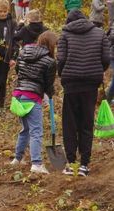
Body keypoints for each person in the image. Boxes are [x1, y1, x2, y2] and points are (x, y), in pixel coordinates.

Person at [57, 10, 109, 177]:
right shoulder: (99, 33)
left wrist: (62, 75)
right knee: (86, 123)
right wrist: (97, 71)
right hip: (91, 83)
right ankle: (84, 165)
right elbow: (106, 59)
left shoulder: (65, 33)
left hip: (71, 83)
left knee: (70, 123)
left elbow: (61, 59)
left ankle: (71, 163)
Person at [10, 31, 57, 174]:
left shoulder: (23, 52)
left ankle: (17, 159)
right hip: (32, 97)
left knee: (25, 129)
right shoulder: (49, 61)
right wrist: (49, 96)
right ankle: (36, 164)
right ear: (51, 45)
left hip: (18, 95)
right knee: (36, 131)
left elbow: (18, 71)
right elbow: (48, 83)